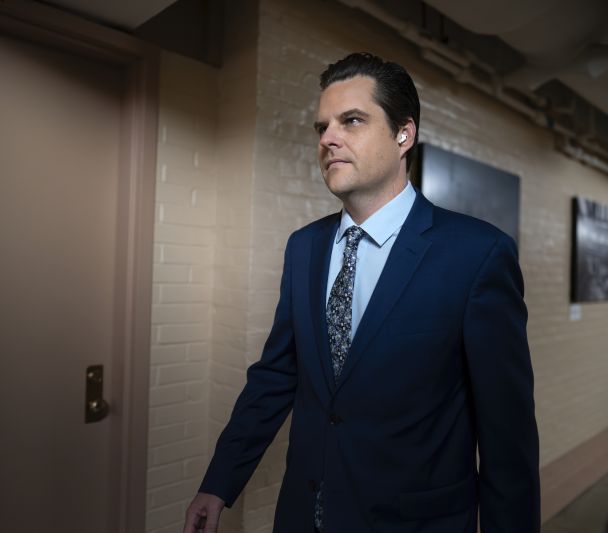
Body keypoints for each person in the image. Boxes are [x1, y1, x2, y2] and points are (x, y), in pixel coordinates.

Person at [184, 52, 540, 533]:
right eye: (322, 127)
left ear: (403, 135)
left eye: (351, 121)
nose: (329, 138)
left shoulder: (476, 255)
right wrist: (219, 481)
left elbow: (507, 434)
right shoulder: (304, 248)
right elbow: (275, 376)